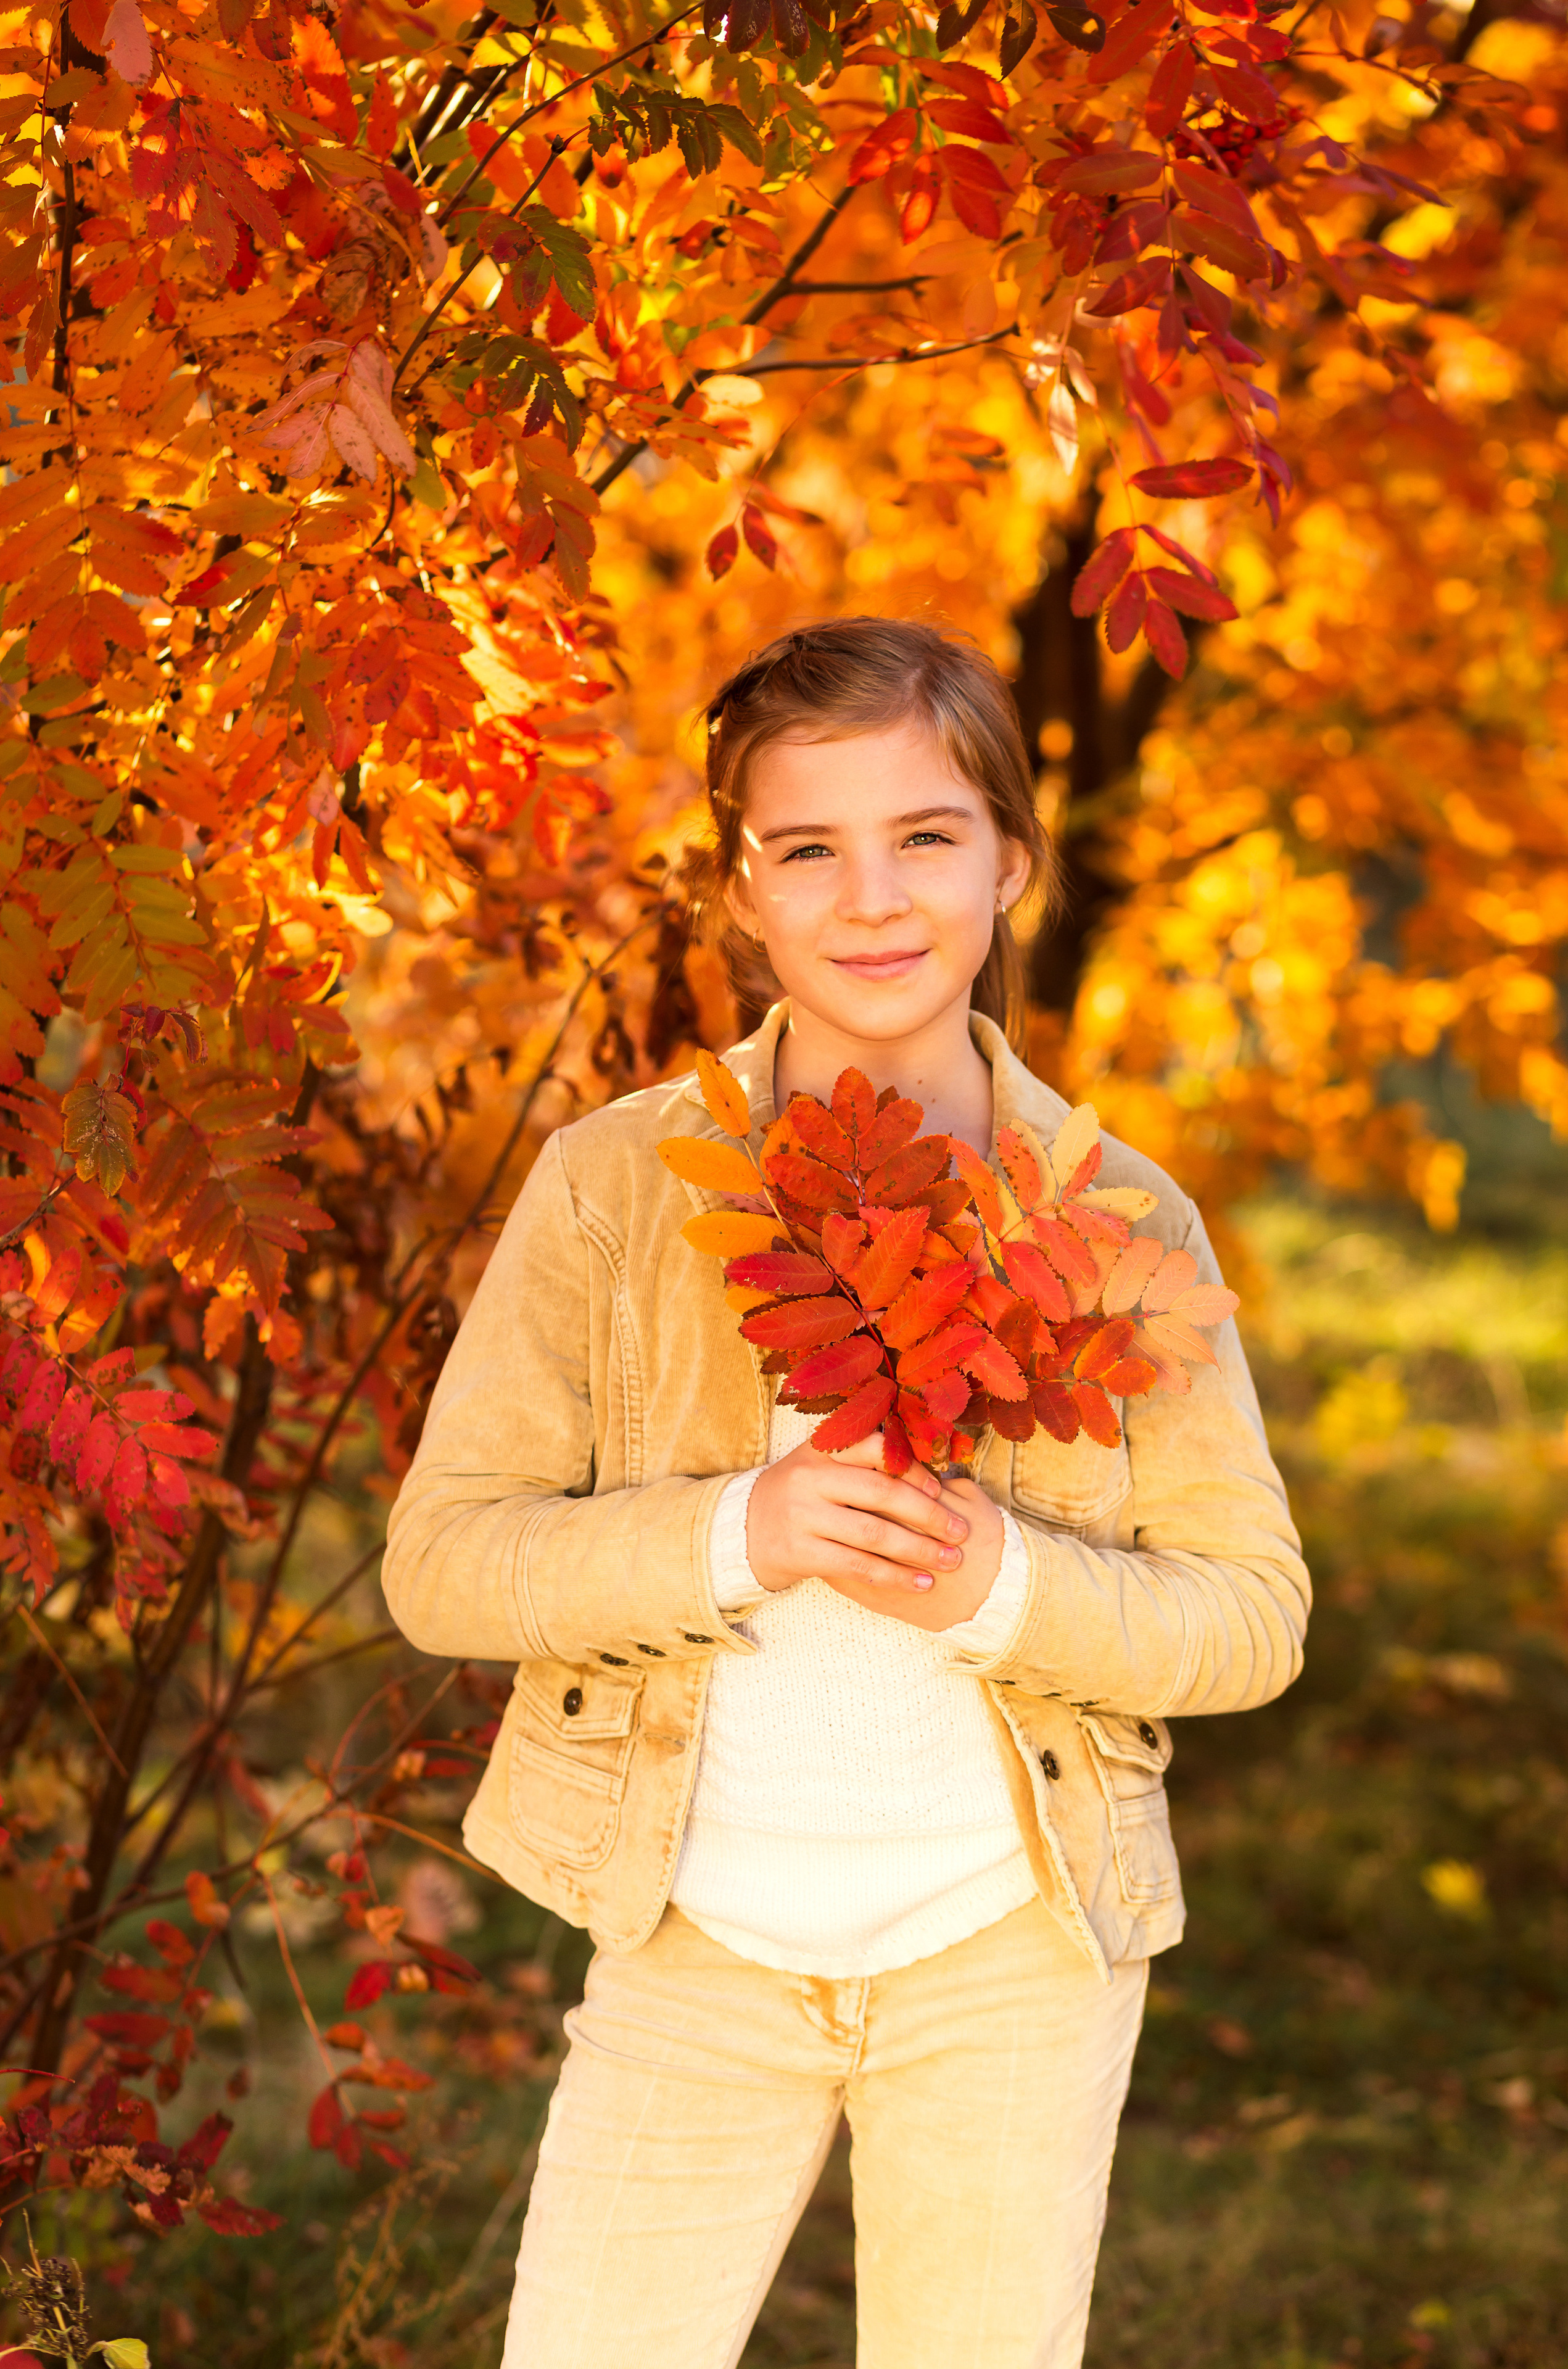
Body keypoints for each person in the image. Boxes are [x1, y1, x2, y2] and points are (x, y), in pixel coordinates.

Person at [381, 616, 1310, 2369]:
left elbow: (1253, 1614)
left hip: (1013, 1956)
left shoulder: (1120, 1222)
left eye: (927, 837)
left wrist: (1003, 1586)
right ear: (741, 891)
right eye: (809, 848)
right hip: (692, 1944)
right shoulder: (617, 1188)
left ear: (1014, 863)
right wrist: (741, 1533)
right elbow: (444, 1564)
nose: (870, 899)